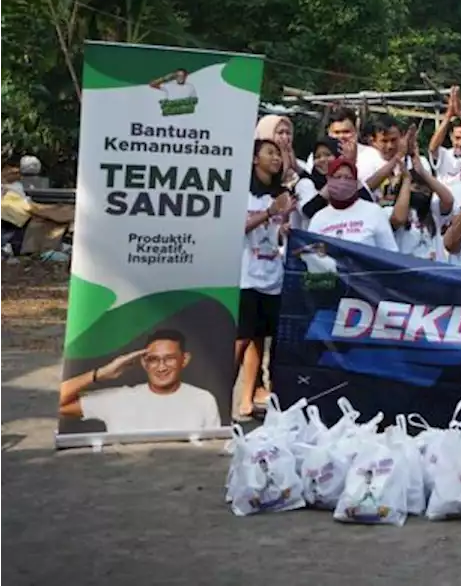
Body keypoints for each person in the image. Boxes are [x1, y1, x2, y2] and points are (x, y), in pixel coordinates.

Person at [58, 330, 222, 433]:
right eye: (153, 360)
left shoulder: (203, 400)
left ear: (184, 359)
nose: (161, 367)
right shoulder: (119, 398)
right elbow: (58, 403)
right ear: (144, 363)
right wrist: (100, 374)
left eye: (169, 359)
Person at [236, 139, 293, 418]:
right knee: (240, 339)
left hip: (274, 276)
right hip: (246, 276)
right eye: (269, 153)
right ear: (254, 158)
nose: (276, 158)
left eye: (278, 154)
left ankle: (248, 400)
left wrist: (284, 226)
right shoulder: (240, 193)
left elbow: (279, 234)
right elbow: (237, 228)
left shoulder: (280, 194)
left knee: (261, 340)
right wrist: (269, 213)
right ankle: (221, 401)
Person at [386, 126, 455, 262]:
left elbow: (448, 200)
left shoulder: (433, 212)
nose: (422, 192)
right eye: (416, 187)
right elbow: (398, 219)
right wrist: (406, 179)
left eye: (426, 189)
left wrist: (423, 173)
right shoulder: (389, 212)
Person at [309, 157, 398, 251]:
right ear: (328, 180)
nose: (342, 182)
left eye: (348, 178)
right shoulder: (318, 219)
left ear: (355, 182)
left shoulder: (374, 212)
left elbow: (391, 253)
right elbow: (312, 256)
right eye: (337, 177)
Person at [314, 106, 384, 187]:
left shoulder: (373, 155)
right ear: (328, 133)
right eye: (336, 132)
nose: (341, 136)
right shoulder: (317, 157)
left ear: (356, 131)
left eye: (346, 132)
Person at [427, 86, 461, 183]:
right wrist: (449, 113)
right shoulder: (444, 154)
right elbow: (432, 148)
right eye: (457, 138)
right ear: (451, 137)